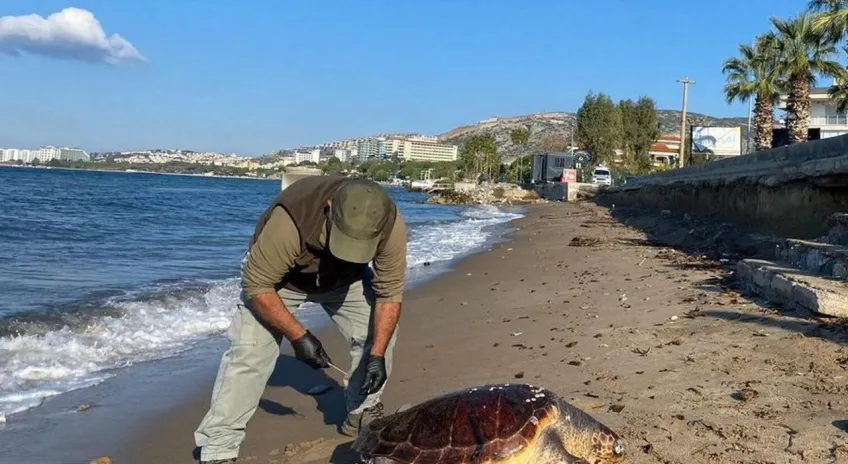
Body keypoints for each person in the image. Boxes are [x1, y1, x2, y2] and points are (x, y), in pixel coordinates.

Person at [194, 176, 407, 464]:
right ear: (329, 209)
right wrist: (299, 336)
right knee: (250, 354)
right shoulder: (291, 219)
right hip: (281, 283)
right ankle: (219, 448)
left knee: (379, 335)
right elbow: (257, 286)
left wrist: (378, 355)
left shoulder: (389, 223)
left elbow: (389, 294)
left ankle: (361, 412)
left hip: (345, 281)